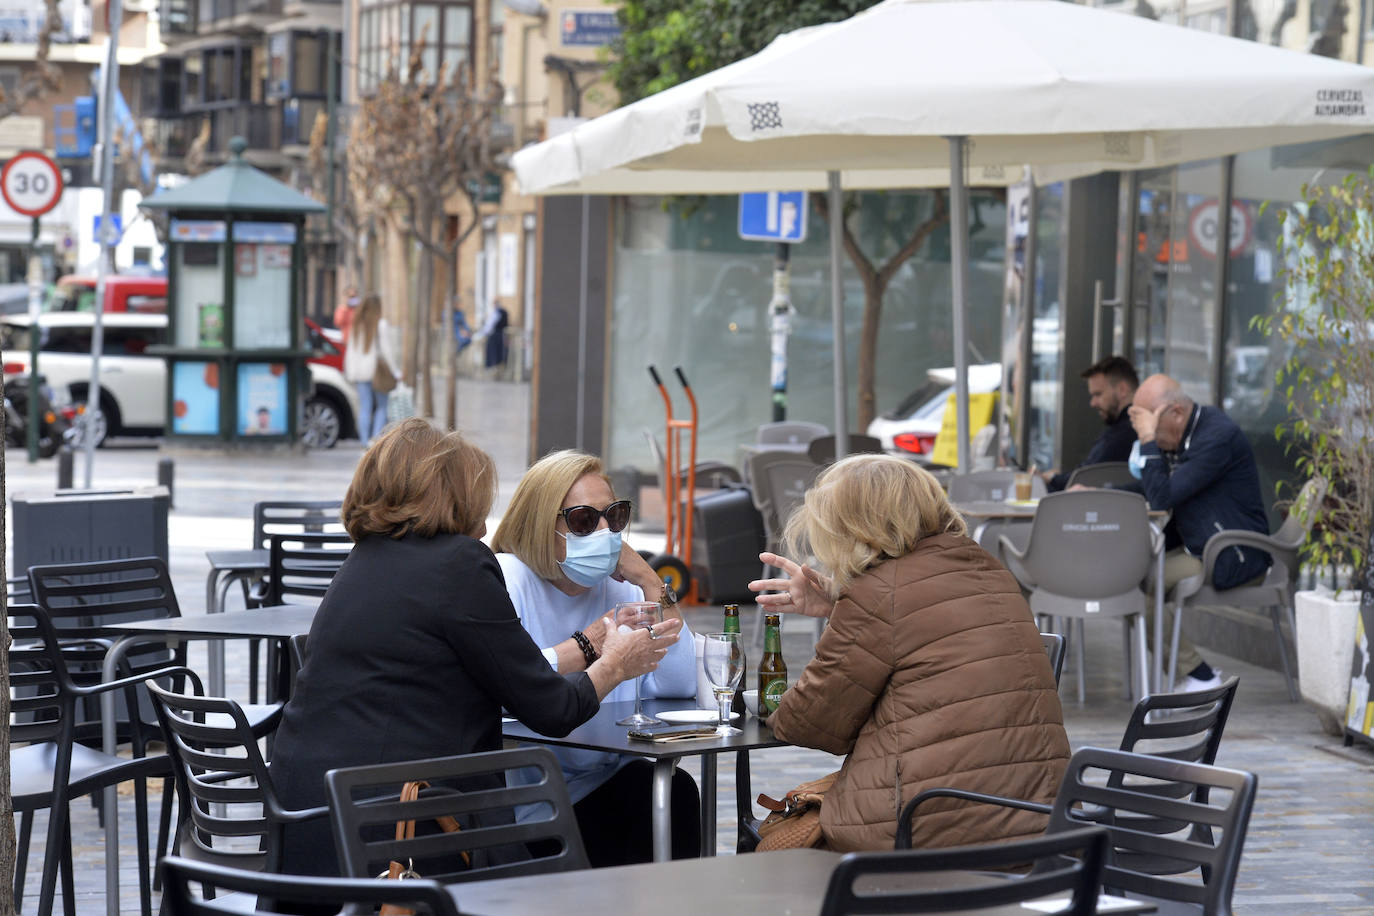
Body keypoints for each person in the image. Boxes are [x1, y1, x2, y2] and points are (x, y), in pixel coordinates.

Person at [269, 419, 680, 879]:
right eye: (477, 496)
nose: (485, 516)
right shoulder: (459, 566)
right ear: (451, 497)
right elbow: (553, 708)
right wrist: (616, 665)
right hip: (400, 834)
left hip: (307, 820)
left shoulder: (364, 560)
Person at [748, 454, 1070, 852]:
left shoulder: (877, 593)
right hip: (1040, 824)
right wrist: (841, 602)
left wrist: (851, 605)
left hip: (934, 833)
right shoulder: (988, 570)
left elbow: (809, 725)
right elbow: (920, 627)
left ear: (853, 528)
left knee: (768, 848)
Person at [489, 450, 701, 866]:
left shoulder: (622, 589)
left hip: (604, 777)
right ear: (541, 523)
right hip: (532, 798)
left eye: (615, 517)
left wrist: (649, 579)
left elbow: (681, 683)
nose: (605, 532)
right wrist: (590, 646)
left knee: (675, 792)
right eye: (586, 520)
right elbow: (503, 689)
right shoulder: (506, 580)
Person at [1128, 373, 1271, 691]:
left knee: (1137, 589)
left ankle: (1199, 677)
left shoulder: (1217, 438)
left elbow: (1161, 499)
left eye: (1147, 426)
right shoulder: (1187, 435)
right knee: (1130, 579)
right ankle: (1190, 673)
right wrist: (1101, 491)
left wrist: (1149, 442)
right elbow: (1156, 486)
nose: (1143, 436)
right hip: (1201, 545)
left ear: (1176, 413)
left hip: (1233, 552)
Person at [1044, 355, 1139, 491]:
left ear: (1122, 390)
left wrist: (1051, 478)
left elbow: (1083, 478)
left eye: (1098, 394)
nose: (1092, 403)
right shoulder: (1127, 431)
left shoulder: (1121, 435)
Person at [343, 293, 399, 445]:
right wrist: (395, 371)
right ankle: (375, 440)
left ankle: (363, 442)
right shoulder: (380, 324)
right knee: (382, 407)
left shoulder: (356, 325)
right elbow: (387, 351)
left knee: (365, 408)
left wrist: (350, 372)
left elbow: (350, 350)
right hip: (377, 372)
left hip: (360, 373)